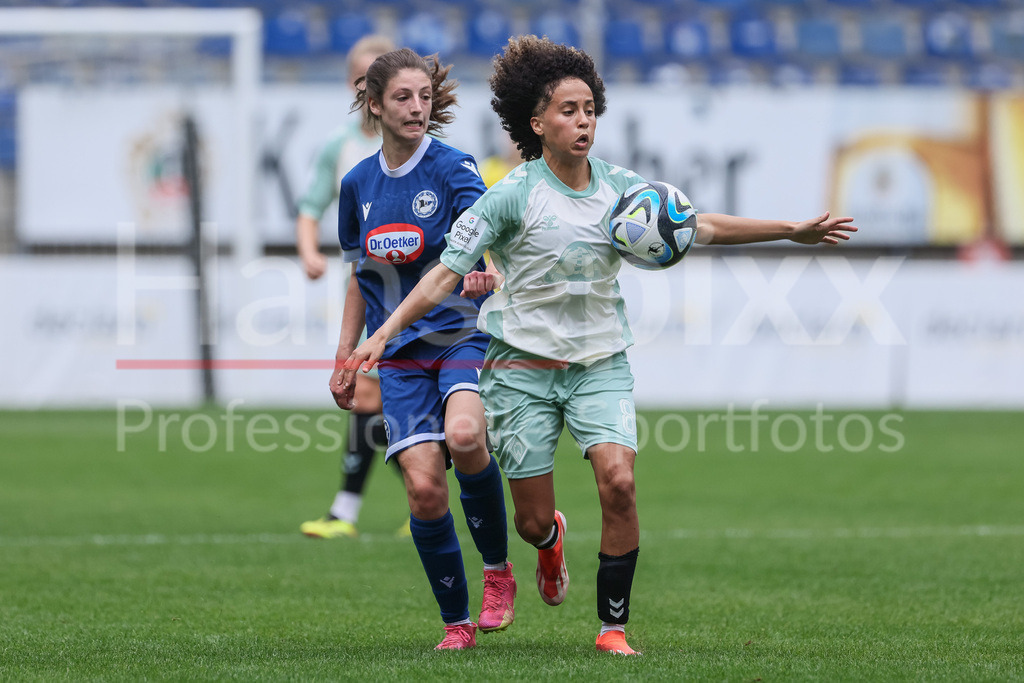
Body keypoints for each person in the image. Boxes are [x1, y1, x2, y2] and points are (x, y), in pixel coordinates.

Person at [342, 35, 858, 655]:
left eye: (589, 109)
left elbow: (704, 225)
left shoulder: (622, 190)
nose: (583, 121)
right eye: (568, 110)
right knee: (531, 522)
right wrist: (382, 335)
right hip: (521, 369)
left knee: (618, 481)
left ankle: (613, 627)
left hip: (598, 365)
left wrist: (790, 230)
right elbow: (442, 275)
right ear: (538, 123)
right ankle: (546, 543)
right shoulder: (511, 194)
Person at [327, 47, 517, 651]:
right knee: (425, 489)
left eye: (425, 98)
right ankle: (457, 626)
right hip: (398, 356)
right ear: (375, 103)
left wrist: (483, 270)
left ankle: (497, 570)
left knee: (464, 438)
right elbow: (361, 278)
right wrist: (344, 355)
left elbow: (477, 240)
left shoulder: (455, 168)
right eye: (403, 98)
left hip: (459, 334)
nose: (416, 108)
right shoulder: (357, 185)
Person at [294, 35, 403, 541]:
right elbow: (311, 203)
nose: (369, 86)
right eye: (361, 78)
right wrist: (310, 251)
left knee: (396, 399)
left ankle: (405, 504)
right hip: (363, 292)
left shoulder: (417, 144)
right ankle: (389, 506)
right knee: (369, 399)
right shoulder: (342, 144)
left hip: (416, 294)